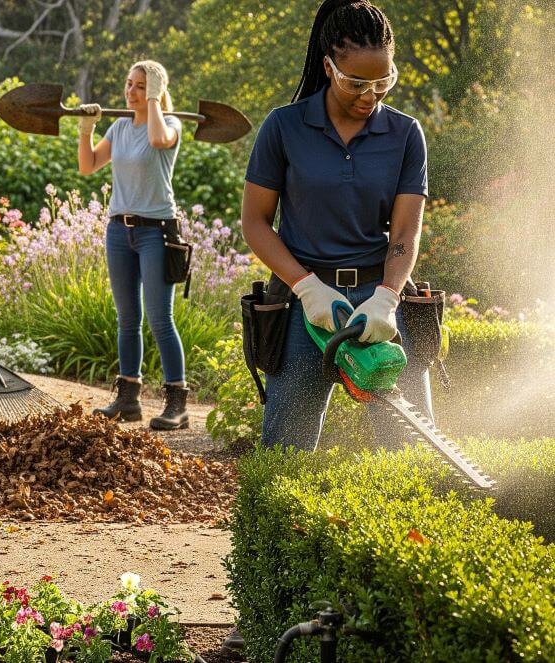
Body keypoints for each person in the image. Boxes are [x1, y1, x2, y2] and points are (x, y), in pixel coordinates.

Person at [227, 0, 428, 656]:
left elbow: (404, 232)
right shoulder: (285, 129)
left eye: (383, 83)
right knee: (285, 456)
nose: (371, 96)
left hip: (371, 307)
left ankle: (409, 606)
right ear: (328, 67)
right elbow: (257, 221)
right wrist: (305, 285)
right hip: (305, 308)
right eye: (356, 83)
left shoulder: (405, 135)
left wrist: (386, 300)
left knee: (405, 457)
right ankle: (262, 610)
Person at [76, 60, 191, 431]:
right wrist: (86, 129)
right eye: (129, 83)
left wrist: (155, 98)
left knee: (160, 319)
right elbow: (89, 164)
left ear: (156, 89)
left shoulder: (170, 124)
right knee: (127, 319)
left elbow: (158, 140)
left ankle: (177, 402)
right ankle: (128, 398)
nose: (131, 91)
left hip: (157, 232)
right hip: (119, 231)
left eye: (141, 85)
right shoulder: (120, 126)